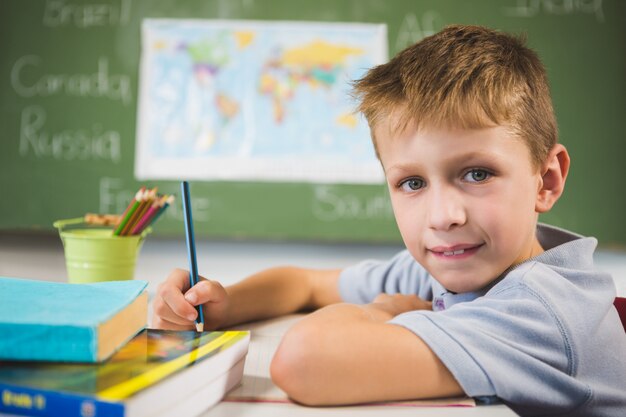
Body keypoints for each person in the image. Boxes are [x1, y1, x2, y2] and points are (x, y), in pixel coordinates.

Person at [152, 25, 626, 416]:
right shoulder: (455, 264)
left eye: (477, 174)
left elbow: (304, 363)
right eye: (412, 183)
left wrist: (386, 314)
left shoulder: (541, 310)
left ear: (545, 180)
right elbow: (303, 283)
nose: (443, 216)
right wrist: (224, 302)